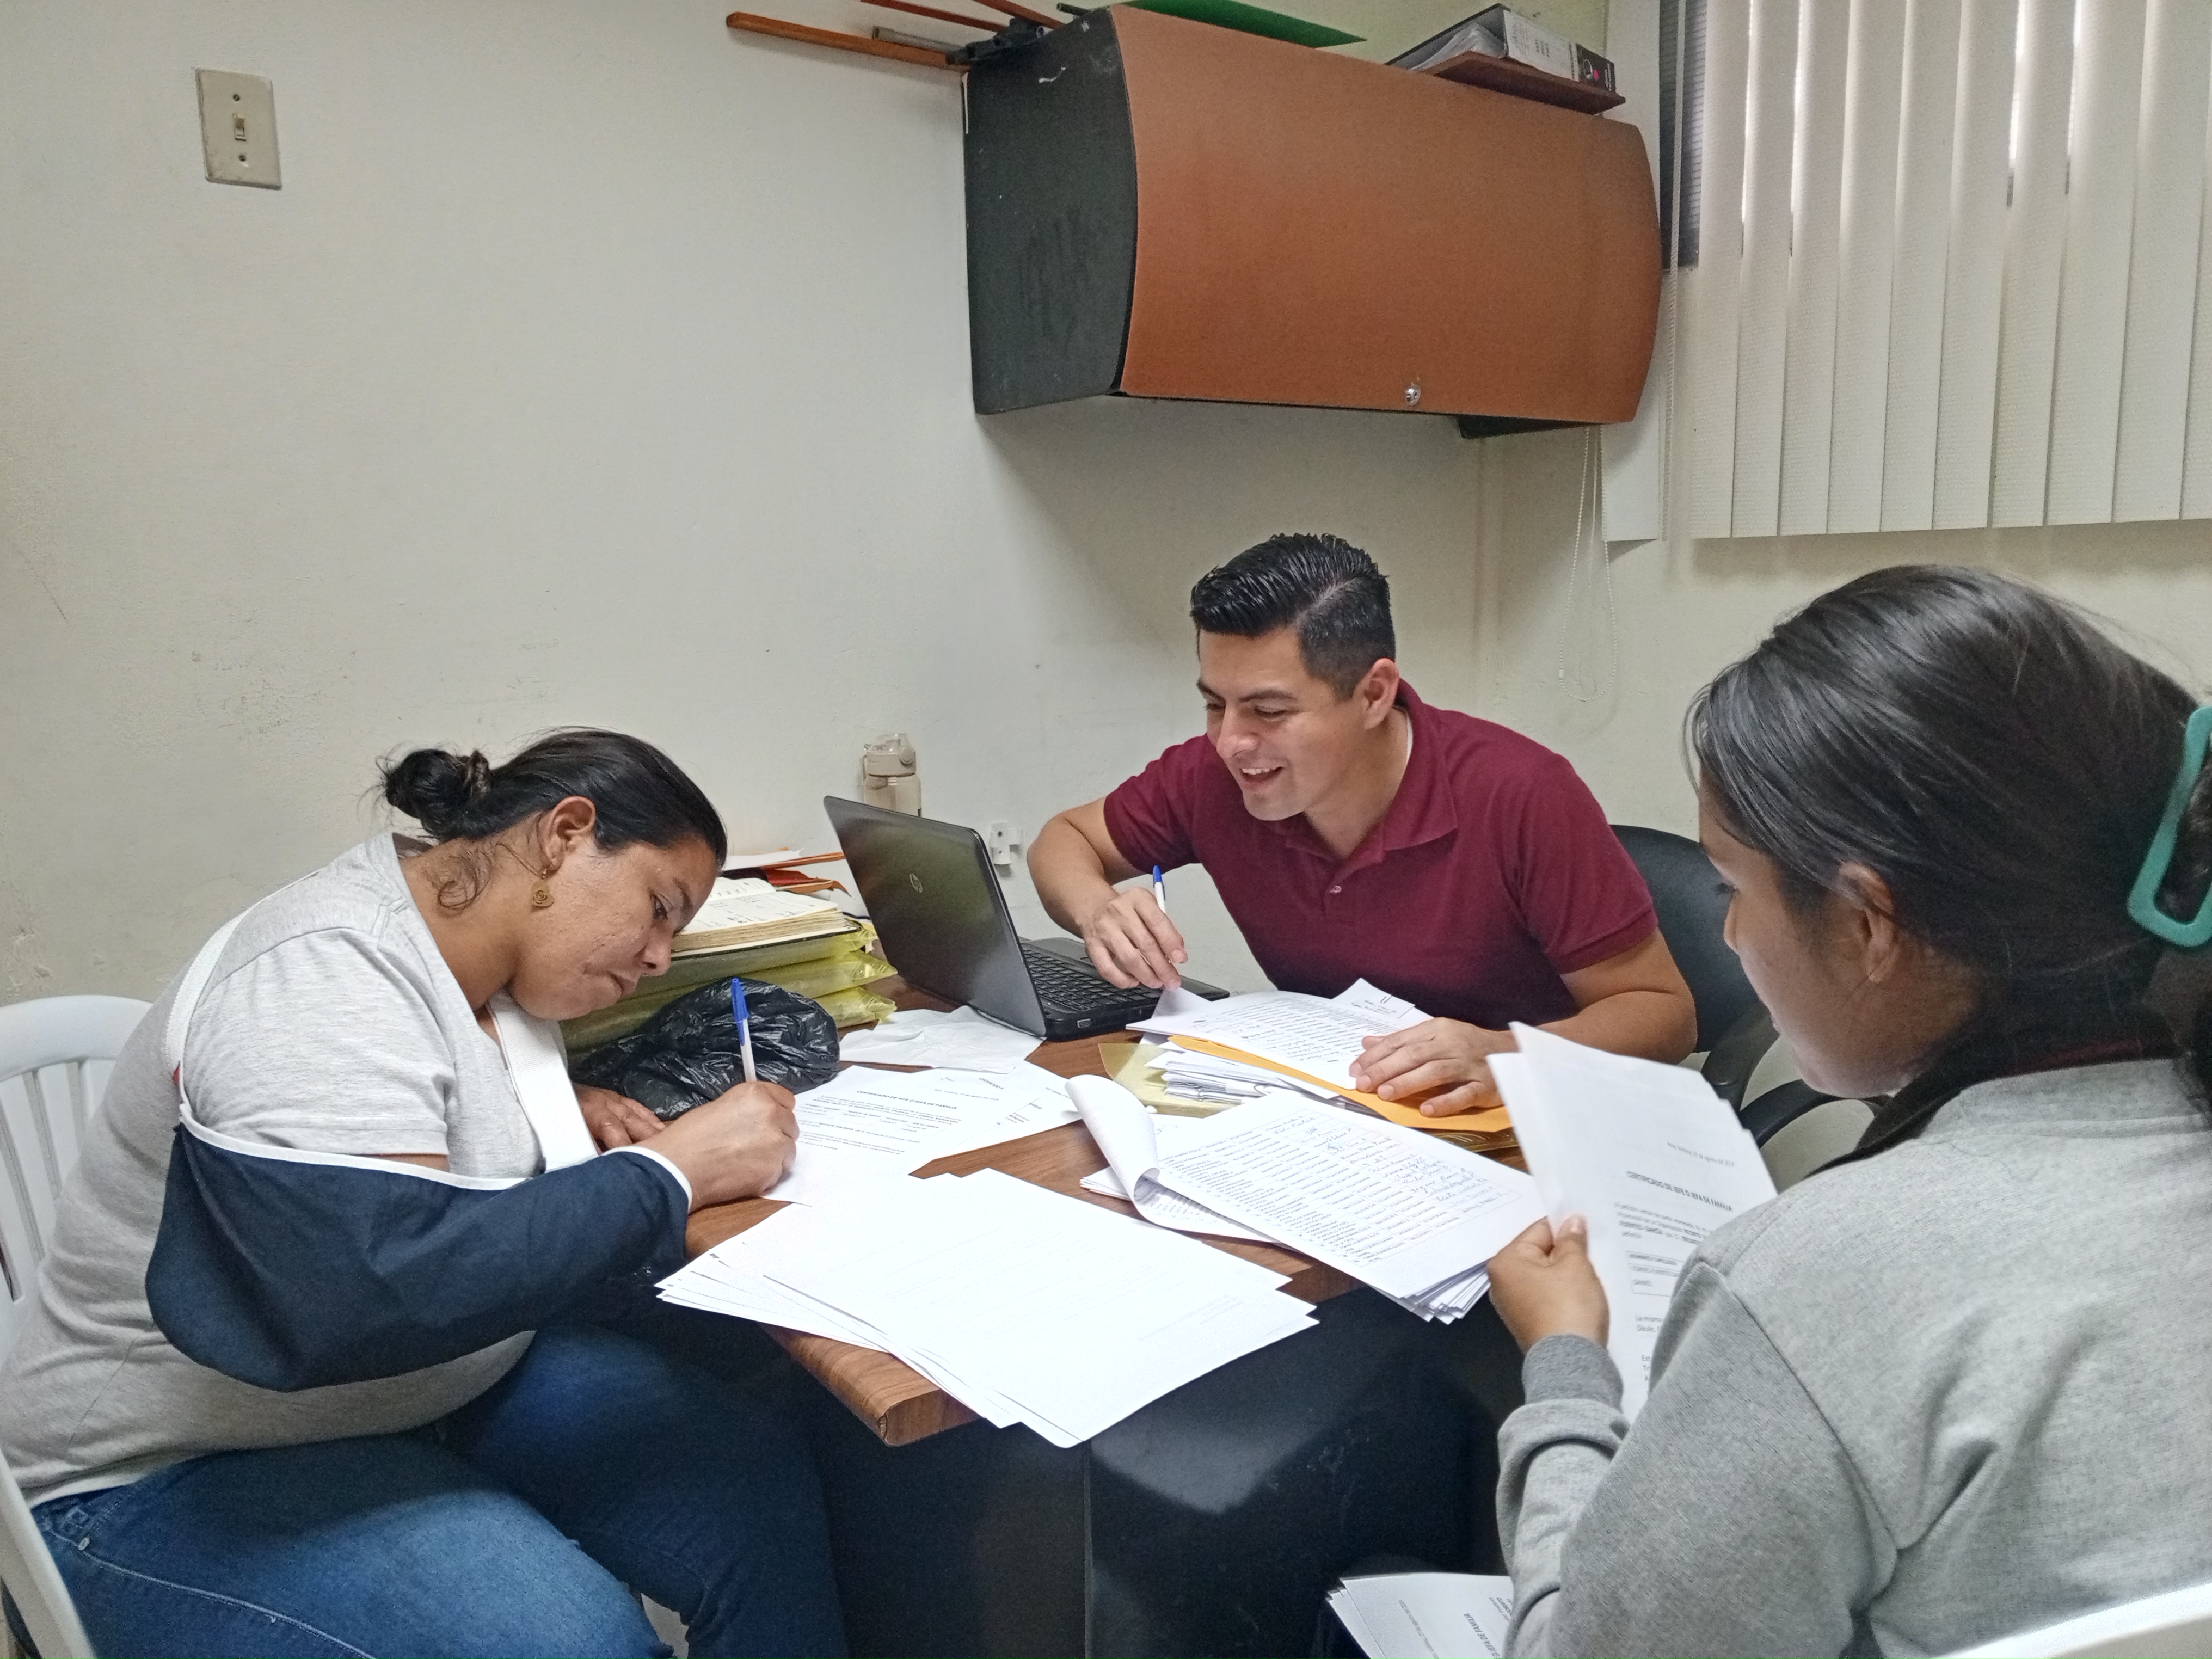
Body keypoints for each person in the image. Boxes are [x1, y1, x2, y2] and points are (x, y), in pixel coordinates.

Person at [1483, 566, 2212, 1657]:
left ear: (1870, 924)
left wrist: (1563, 1365)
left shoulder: (1808, 1283)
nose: (1728, 935)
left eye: (1733, 888)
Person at [0, 731, 846, 1659]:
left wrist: (562, 1103)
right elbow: (357, 1294)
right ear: (564, 834)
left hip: (421, 1387)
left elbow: (415, 1109)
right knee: (573, 1643)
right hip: (161, 1467)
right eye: (658, 908)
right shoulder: (325, 970)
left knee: (754, 1493)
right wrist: (673, 1172)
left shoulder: (485, 957)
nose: (657, 957)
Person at [1029, 532, 1696, 1114]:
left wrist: (1505, 1055)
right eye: (1213, 705)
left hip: (1520, 1129)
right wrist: (1097, 910)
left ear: (1373, 694)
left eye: (1268, 711)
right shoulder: (1215, 776)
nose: (1230, 741)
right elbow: (1065, 839)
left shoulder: (1520, 793)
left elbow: (1663, 1015)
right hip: (1340, 1112)